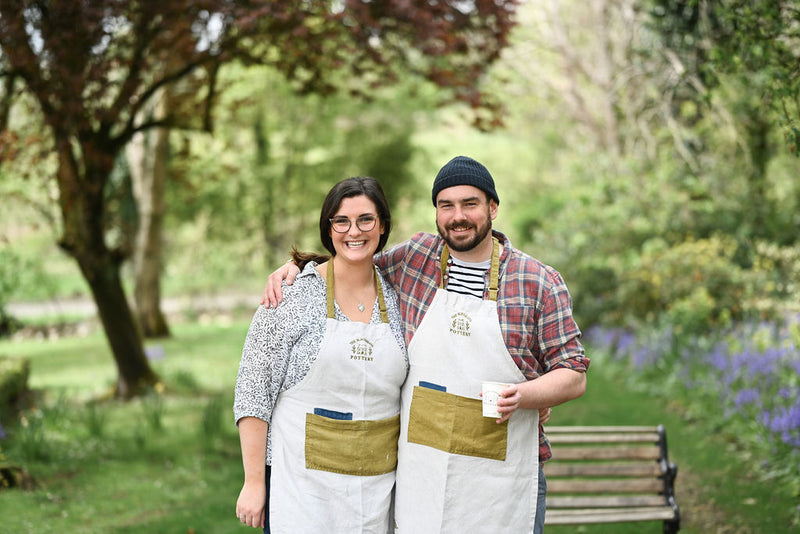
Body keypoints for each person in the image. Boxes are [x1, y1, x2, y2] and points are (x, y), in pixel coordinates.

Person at [262, 156, 589, 533]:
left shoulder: (538, 281)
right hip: (424, 476)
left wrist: (528, 394)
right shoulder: (416, 258)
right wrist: (300, 269)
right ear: (436, 213)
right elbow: (355, 260)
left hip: (501, 478)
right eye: (446, 205)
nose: (458, 216)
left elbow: (573, 373)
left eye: (470, 204)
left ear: (493, 208)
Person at [234, 177, 408, 533]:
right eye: (341, 220)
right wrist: (254, 482)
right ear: (328, 228)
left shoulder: (399, 295)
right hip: (301, 490)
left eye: (365, 220)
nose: (353, 231)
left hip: (376, 492)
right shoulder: (291, 296)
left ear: (383, 225)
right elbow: (254, 391)